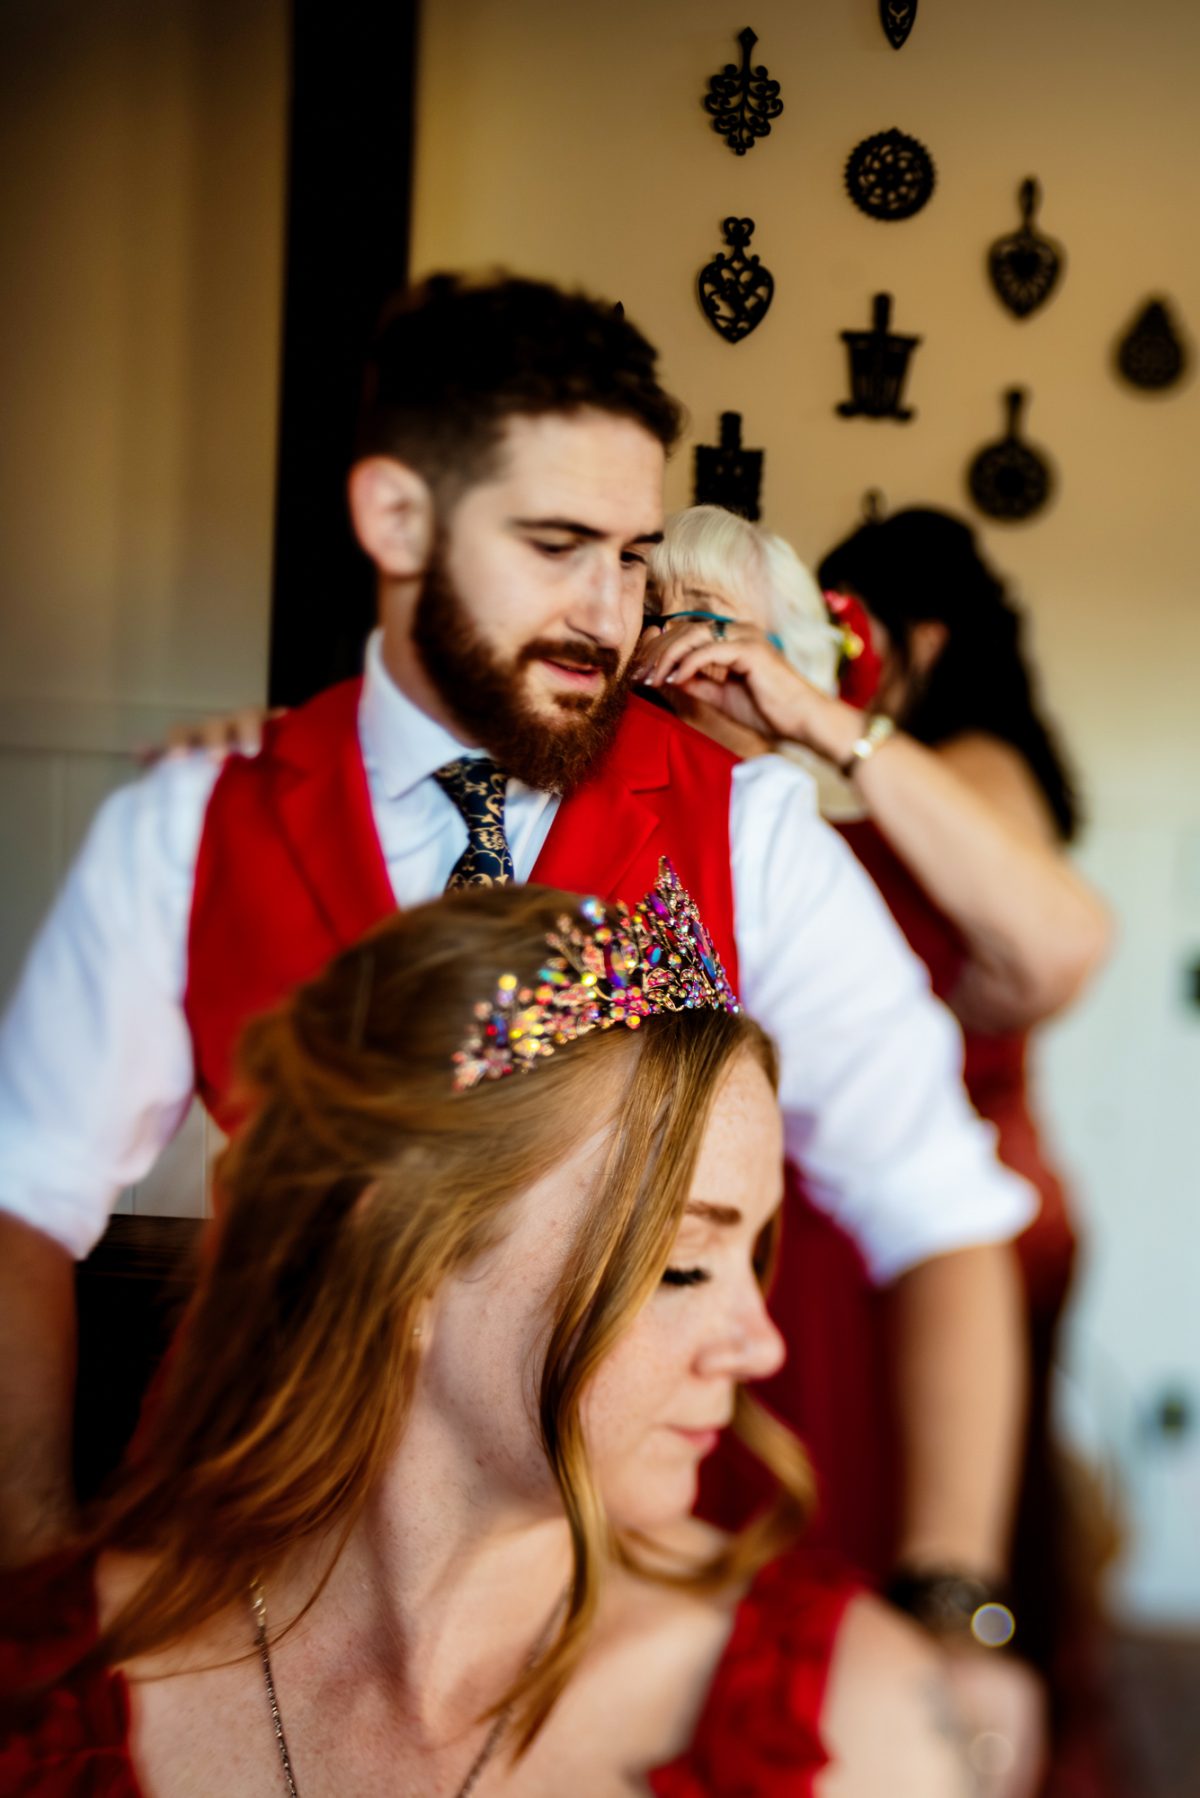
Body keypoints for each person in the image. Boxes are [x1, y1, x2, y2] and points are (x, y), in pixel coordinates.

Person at [0, 278, 1033, 1708]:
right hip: (252, 1562)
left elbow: (945, 1213)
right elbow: (20, 1198)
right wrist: (40, 1576)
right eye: (556, 548)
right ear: (397, 519)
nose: (606, 615)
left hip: (621, 1590)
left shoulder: (747, 835)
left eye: (631, 557)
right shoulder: (194, 824)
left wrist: (950, 1604)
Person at [0, 880, 984, 1796]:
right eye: (682, 1264)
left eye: (751, 1257)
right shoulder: (46, 1682)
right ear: (407, 1259)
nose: (759, 1346)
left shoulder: (857, 1725)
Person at [634, 503, 1112, 1788]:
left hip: (945, 1193)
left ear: (914, 640)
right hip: (799, 1178)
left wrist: (814, 717)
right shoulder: (750, 811)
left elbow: (1061, 946)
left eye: (843, 635)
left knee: (910, 1492)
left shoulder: (967, 767)